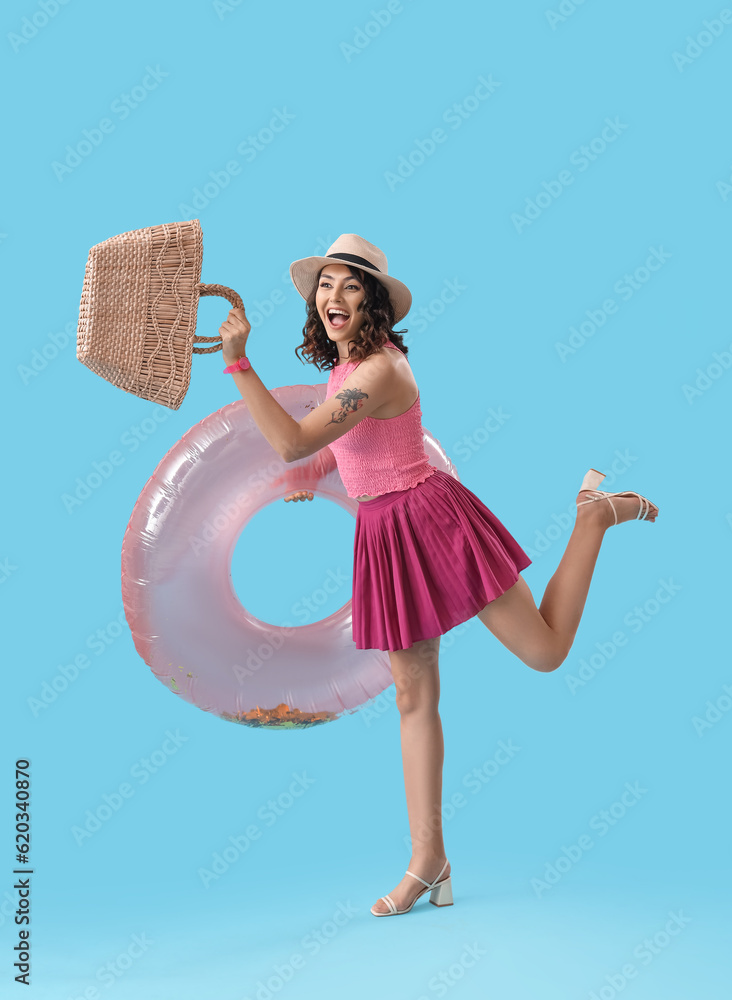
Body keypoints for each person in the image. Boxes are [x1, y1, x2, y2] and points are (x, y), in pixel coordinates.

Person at [218, 234, 659, 918]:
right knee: (411, 701)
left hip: (430, 518)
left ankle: (592, 518)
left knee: (544, 652)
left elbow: (291, 438)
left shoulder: (379, 371)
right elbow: (345, 443)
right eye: (325, 285)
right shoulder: (345, 371)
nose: (333, 297)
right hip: (381, 537)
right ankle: (429, 864)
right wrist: (319, 472)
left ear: (373, 302)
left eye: (349, 286)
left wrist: (239, 364)